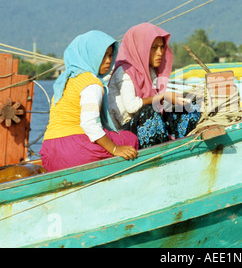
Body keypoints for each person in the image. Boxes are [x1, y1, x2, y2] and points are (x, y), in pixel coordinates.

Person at [40, 30, 139, 172]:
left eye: (111, 55)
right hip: (74, 149)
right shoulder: (91, 84)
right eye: (102, 55)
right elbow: (89, 123)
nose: (108, 61)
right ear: (89, 56)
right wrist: (115, 149)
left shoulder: (65, 81)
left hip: (49, 152)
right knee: (130, 139)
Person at [108, 23, 200, 148]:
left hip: (153, 122)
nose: (160, 53)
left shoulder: (150, 71)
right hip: (127, 131)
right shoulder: (124, 72)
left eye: (162, 47)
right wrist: (162, 97)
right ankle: (158, 151)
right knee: (149, 111)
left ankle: (184, 146)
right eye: (154, 48)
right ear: (141, 48)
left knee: (189, 108)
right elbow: (131, 107)